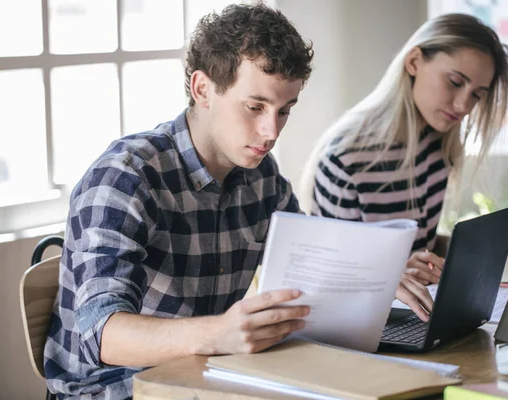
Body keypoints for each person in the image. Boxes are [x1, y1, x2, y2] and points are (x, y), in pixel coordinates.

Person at [43, 4, 430, 399]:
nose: (270, 131)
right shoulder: (125, 177)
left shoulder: (261, 175)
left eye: (285, 111)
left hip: (210, 376)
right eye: (255, 107)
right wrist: (220, 333)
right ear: (202, 89)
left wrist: (370, 274)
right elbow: (100, 336)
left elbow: (308, 264)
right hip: (118, 389)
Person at [301, 13, 508, 289]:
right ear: (414, 62)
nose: (463, 105)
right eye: (455, 82)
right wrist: (396, 272)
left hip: (414, 311)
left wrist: (463, 251)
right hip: (360, 323)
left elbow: (418, 244)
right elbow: (332, 278)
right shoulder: (348, 159)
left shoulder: (439, 146)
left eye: (477, 95)